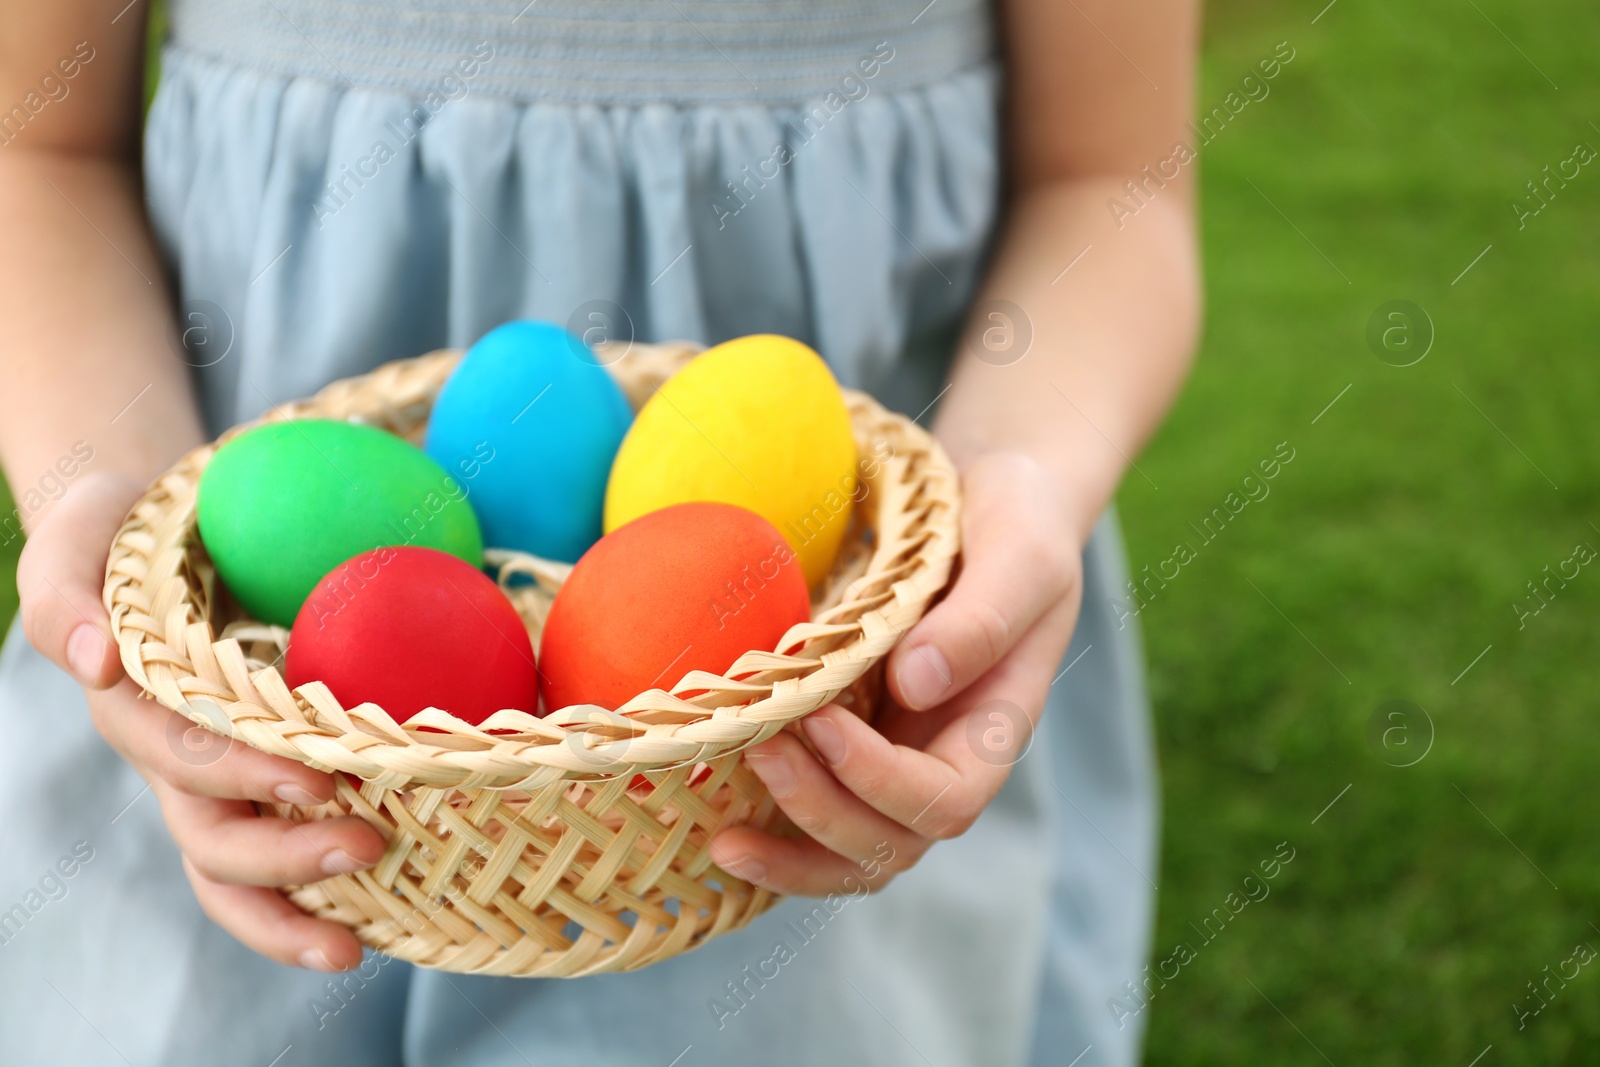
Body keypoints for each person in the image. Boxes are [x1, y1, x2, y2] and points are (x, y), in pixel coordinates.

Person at [0, 0, 1199, 1063]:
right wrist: (103, 489)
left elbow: (1108, 175)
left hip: (822, 694)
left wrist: (1018, 475)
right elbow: (35, 145)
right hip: (240, 727)